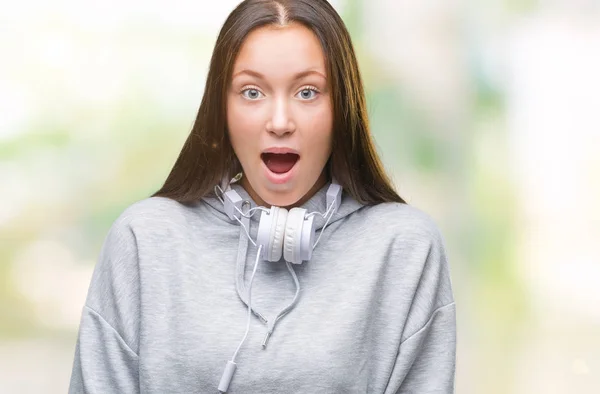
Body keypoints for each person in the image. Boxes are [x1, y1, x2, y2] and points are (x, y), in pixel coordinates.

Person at [68, 0, 456, 393]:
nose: (280, 122)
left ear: (342, 109)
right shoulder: (144, 239)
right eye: (252, 92)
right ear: (221, 110)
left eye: (307, 92)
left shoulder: (404, 246)